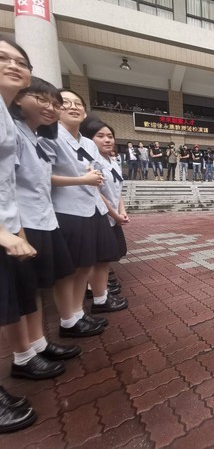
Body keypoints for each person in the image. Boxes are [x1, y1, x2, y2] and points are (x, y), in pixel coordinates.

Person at [12, 77, 83, 372]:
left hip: (43, 219)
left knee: (39, 286)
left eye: (55, 103)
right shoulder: (12, 133)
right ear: (18, 99)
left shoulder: (36, 138)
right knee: (21, 293)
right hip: (20, 225)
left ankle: (38, 343)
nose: (51, 108)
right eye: (42, 100)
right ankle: (23, 356)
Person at [40, 88, 119, 338]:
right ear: (56, 108)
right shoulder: (49, 137)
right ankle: (68, 320)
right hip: (67, 209)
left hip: (92, 208)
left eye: (78, 103)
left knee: (86, 265)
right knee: (69, 271)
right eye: (66, 103)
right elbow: (42, 176)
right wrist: (81, 179)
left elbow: (97, 173)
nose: (74, 107)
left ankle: (79, 313)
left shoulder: (86, 143)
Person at [0, 38, 39, 433]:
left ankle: (26, 357)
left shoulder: (4, 114)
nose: (13, 65)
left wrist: (16, 227)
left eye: (20, 61)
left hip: (9, 224)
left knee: (10, 303)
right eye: (2, 58)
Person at [81, 119, 129, 312]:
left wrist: (122, 211)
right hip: (100, 214)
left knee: (106, 257)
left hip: (113, 215)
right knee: (98, 258)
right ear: (88, 139)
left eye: (110, 136)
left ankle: (99, 291)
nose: (107, 140)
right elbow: (97, 193)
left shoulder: (113, 161)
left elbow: (118, 190)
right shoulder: (92, 162)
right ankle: (96, 293)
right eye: (100, 136)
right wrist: (115, 215)